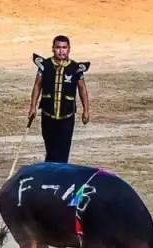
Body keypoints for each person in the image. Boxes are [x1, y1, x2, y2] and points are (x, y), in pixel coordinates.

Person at [28, 35, 90, 163]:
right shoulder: (45, 66)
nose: (61, 51)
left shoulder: (75, 68)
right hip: (48, 115)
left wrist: (86, 110)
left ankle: (58, 176)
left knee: (63, 150)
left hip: (66, 117)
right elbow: (37, 85)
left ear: (69, 49)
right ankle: (50, 175)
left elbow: (82, 89)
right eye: (58, 47)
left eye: (64, 47)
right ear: (53, 49)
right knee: (50, 149)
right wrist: (32, 107)